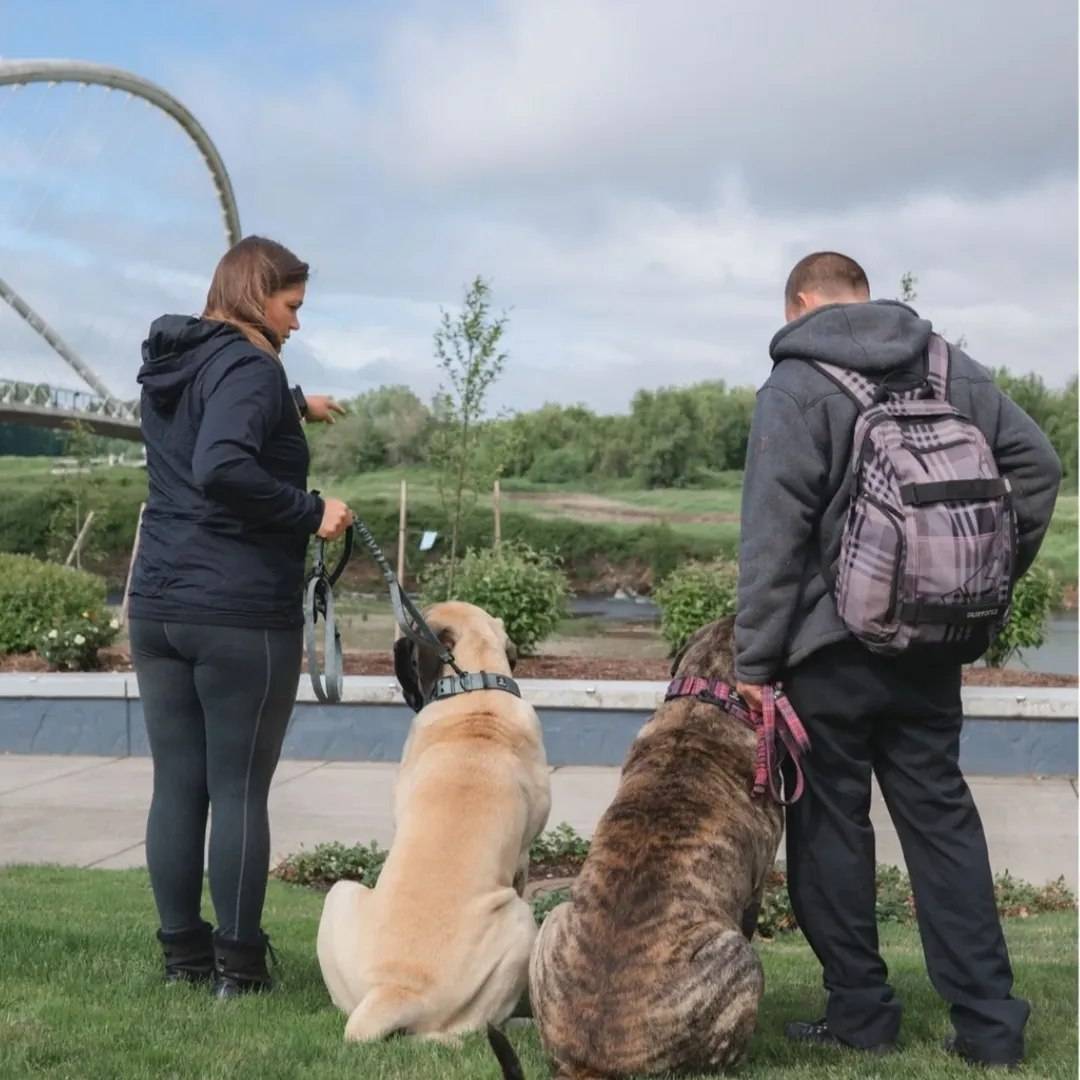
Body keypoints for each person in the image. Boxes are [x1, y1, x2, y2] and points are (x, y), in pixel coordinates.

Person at [734, 252, 1061, 1068]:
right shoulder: (947, 364)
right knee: (942, 825)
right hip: (929, 651)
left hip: (828, 652)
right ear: (865, 297)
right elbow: (1038, 467)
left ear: (802, 303)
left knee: (830, 827)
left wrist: (753, 665)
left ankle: (862, 1017)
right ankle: (990, 1027)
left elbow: (771, 538)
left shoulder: (797, 383)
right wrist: (973, 581)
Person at [128, 236, 354, 997]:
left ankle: (183, 960)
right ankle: (240, 970)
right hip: (236, 610)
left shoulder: (174, 364)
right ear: (260, 295)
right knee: (238, 791)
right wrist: (310, 510)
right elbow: (221, 462)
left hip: (159, 604)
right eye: (291, 307)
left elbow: (203, 424)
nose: (296, 325)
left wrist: (297, 406)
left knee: (178, 785)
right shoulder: (253, 367)